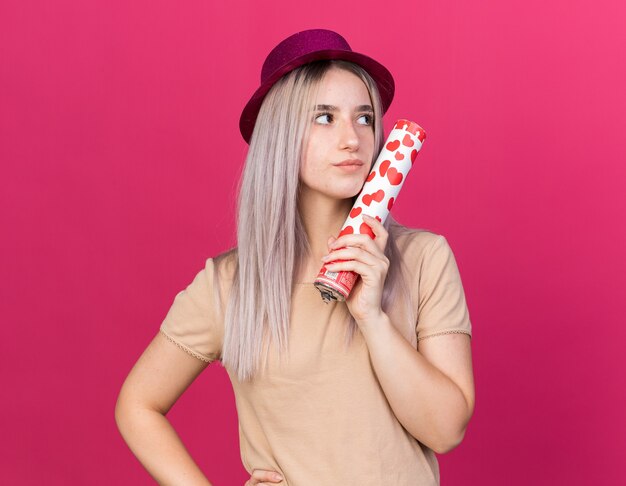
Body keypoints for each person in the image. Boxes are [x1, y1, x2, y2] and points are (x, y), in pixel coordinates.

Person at [115, 28, 475, 486]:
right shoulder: (230, 283)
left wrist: (372, 317)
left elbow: (446, 430)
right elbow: (138, 405)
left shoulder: (424, 259)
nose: (352, 139)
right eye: (324, 117)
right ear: (279, 135)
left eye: (364, 119)